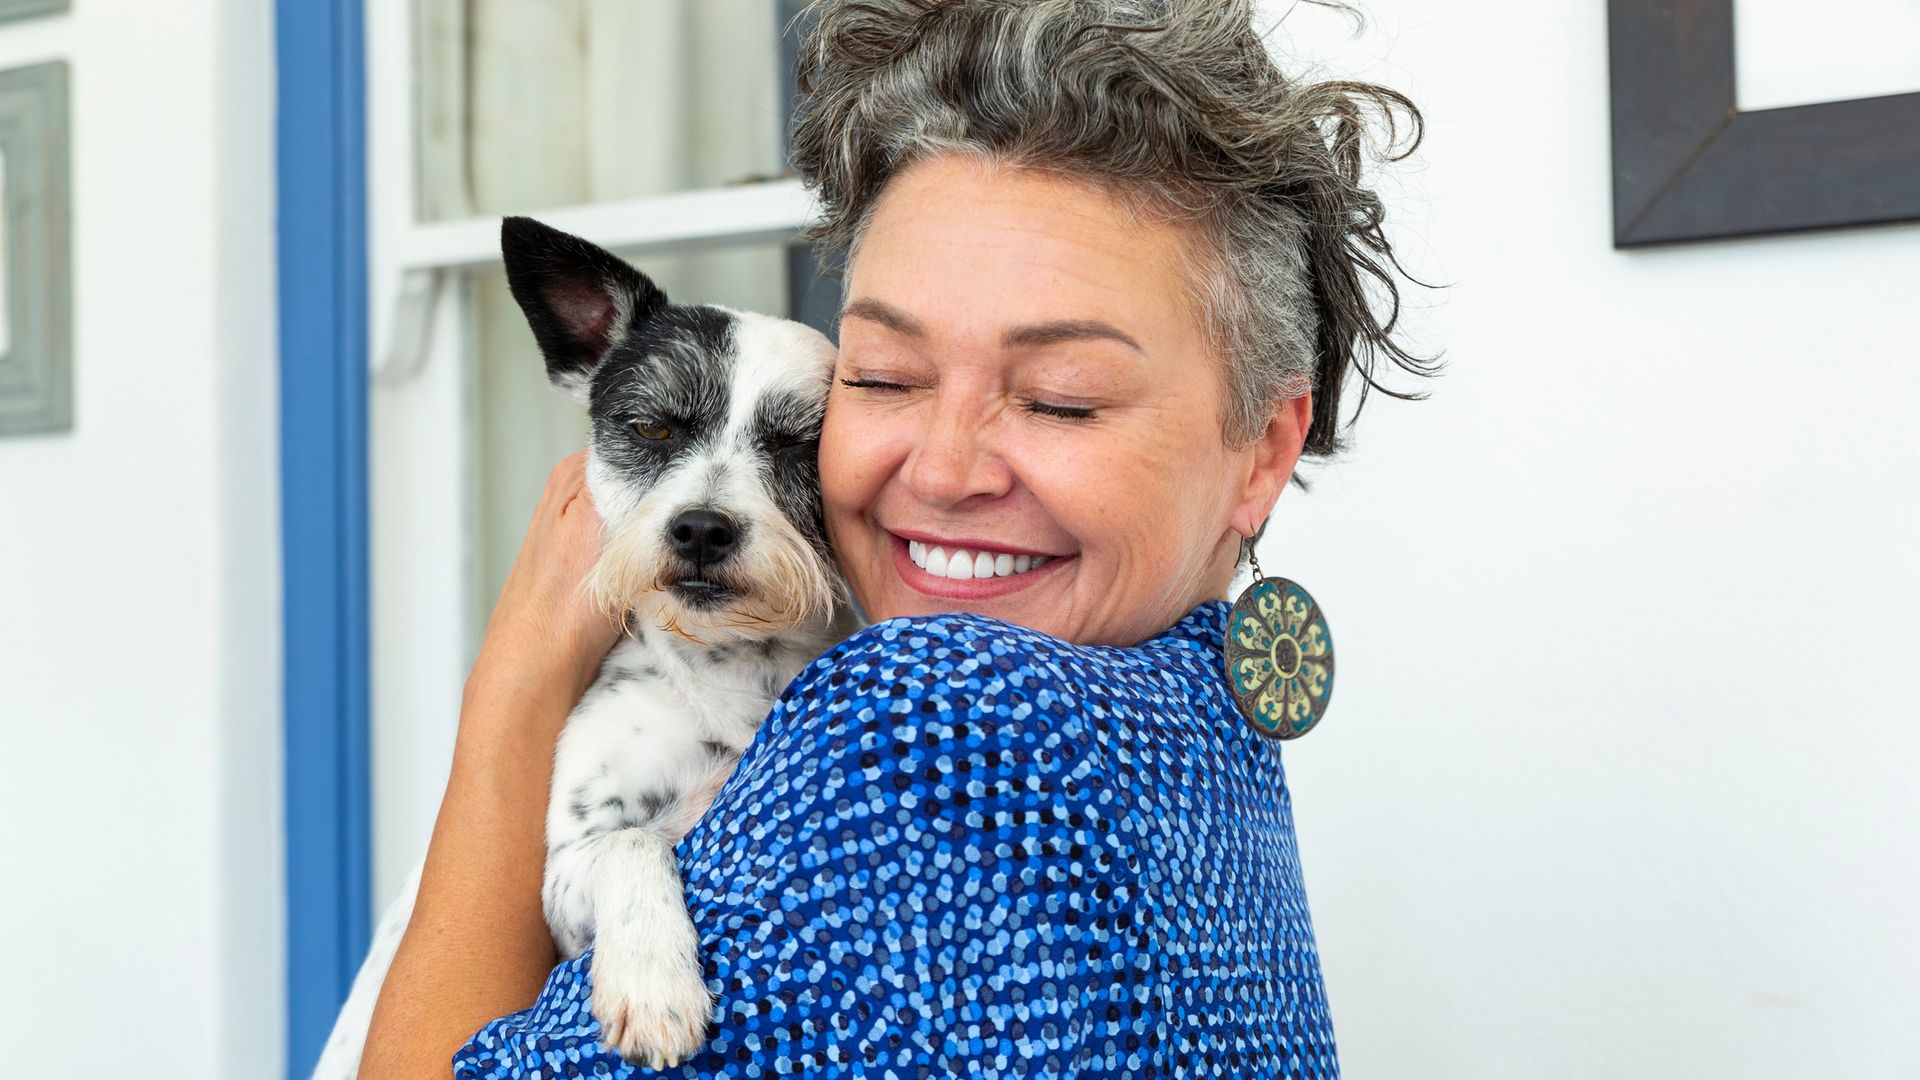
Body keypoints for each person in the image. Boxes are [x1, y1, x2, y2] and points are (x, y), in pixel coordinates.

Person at [358, 1, 1434, 1076]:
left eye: (1060, 397)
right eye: (881, 377)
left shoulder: (919, 720)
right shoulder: (1208, 717)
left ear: (1262, 446)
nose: (941, 471)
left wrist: (515, 681)